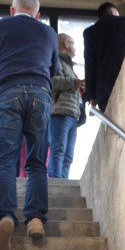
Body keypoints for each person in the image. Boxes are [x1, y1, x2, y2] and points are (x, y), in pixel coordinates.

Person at [0, 0, 60, 250]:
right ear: (37, 14)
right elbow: (53, 69)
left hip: (6, 95)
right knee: (36, 162)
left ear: (12, 10)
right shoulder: (48, 34)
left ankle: (6, 216)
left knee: (4, 161)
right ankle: (35, 219)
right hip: (40, 95)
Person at [83, 2, 125, 113]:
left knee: (112, 125)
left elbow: (90, 64)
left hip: (105, 90)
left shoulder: (90, 32)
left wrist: (92, 95)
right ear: (113, 12)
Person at [48, 33, 83, 179]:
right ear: (66, 44)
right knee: (59, 149)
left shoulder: (68, 64)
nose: (75, 48)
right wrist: (73, 83)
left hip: (71, 114)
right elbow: (52, 81)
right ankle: (55, 183)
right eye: (73, 43)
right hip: (60, 112)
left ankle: (63, 182)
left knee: (68, 155)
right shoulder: (55, 60)